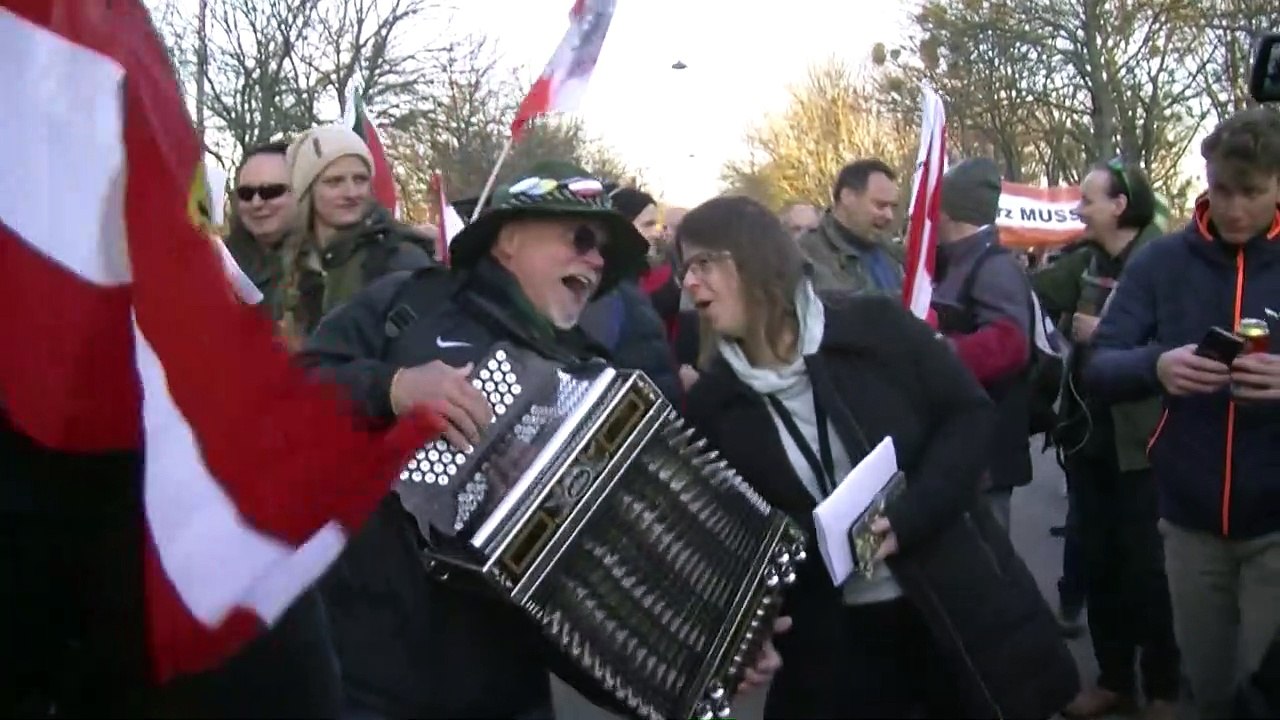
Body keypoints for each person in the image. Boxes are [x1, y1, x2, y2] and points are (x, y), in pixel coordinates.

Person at [299, 162, 782, 719]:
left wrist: (721, 649)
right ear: (508, 239)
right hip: (369, 673)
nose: (597, 262)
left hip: (505, 691)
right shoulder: (408, 304)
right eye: (580, 239)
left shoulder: (597, 384)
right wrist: (393, 387)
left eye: (602, 251)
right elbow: (293, 388)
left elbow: (605, 589)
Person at [680, 195, 1078, 719]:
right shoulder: (714, 403)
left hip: (950, 604)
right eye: (684, 268)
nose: (688, 283)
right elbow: (736, 541)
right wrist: (751, 629)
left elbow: (968, 414)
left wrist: (911, 515)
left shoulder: (874, 326)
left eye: (704, 263)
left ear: (756, 261)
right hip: (833, 645)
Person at [1084, 107, 1280, 719]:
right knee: (1212, 689)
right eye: (1223, 189)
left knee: (1262, 691)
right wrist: (1158, 366)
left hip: (1277, 521)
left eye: (1253, 193)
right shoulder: (1162, 262)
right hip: (1189, 519)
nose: (1235, 208)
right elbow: (1098, 364)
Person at [1033, 159, 1179, 719]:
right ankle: (1114, 679)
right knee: (1098, 563)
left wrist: (1117, 338)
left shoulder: (1167, 260)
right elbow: (1028, 294)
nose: (1078, 208)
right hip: (1088, 439)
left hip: (1148, 443)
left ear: (1120, 205)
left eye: (1088, 199)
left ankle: (1163, 686)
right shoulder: (1086, 262)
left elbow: (1188, 337)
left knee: (1148, 571)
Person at [279, 124, 434, 343]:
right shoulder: (294, 265)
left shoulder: (400, 259)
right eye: (335, 182)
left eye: (360, 179)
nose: (351, 193)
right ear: (307, 191)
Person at [577, 186, 682, 402]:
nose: (656, 232)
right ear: (623, 229)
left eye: (656, 224)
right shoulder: (608, 292)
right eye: (647, 224)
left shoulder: (629, 285)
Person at [797, 158, 905, 296]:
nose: (889, 215)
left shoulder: (892, 252)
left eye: (892, 207)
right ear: (847, 197)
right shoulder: (807, 255)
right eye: (880, 205)